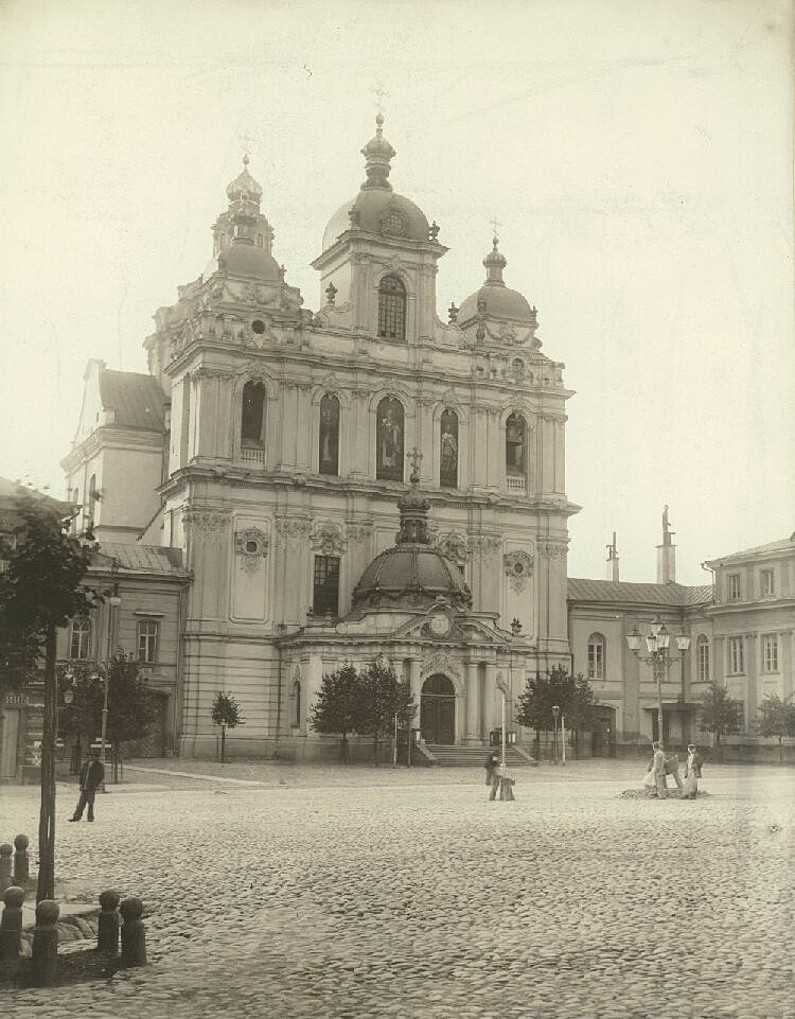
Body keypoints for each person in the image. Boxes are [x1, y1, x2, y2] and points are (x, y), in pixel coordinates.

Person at [69, 749, 105, 822]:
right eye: (89, 756)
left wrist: (96, 783)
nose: (91, 757)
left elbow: (101, 776)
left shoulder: (99, 765)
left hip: (91, 786)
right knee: (81, 803)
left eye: (93, 756)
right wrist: (81, 784)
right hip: (84, 786)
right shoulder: (85, 764)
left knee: (90, 803)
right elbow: (82, 775)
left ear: (96, 757)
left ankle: (90, 817)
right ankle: (76, 817)